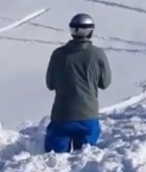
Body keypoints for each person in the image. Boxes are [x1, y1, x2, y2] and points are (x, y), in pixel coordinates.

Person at [44, 13, 111, 153]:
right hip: (88, 116)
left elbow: (50, 84)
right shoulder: (98, 54)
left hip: (62, 115)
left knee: (55, 162)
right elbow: (105, 83)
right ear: (90, 31)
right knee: (85, 160)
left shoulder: (58, 54)